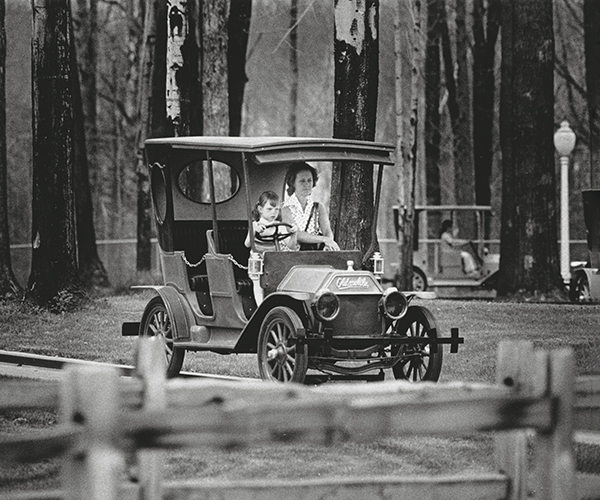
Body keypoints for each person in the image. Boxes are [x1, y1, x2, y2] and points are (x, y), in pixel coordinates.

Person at [281, 162, 340, 251]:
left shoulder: (319, 207)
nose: (307, 184)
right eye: (302, 181)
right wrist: (324, 239)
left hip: (315, 254)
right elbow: (297, 234)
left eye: (309, 180)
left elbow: (327, 231)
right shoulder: (286, 208)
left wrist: (328, 244)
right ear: (293, 182)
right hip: (293, 255)